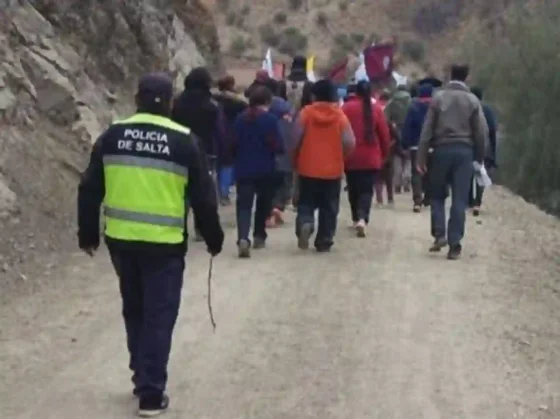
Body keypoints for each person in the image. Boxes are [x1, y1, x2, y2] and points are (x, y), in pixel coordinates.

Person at [77, 72, 224, 416]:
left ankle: (140, 373)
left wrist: (88, 235)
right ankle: (151, 393)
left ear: (136, 99)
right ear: (170, 102)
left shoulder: (112, 135)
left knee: (135, 308)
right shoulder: (185, 141)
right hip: (164, 244)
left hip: (122, 240)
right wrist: (213, 238)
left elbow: (89, 189)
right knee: (159, 316)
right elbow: (203, 197)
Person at [416, 64, 488, 259]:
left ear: (450, 76)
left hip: (440, 151)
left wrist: (421, 157)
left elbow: (427, 130)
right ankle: (455, 244)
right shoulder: (473, 100)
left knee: (437, 194)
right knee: (460, 199)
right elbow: (481, 133)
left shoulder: (438, 98)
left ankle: (439, 234)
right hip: (464, 153)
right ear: (466, 77)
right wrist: (479, 158)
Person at [292, 79, 355, 252]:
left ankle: (306, 222)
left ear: (314, 95)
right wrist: (340, 156)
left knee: (306, 202)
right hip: (332, 170)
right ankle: (324, 239)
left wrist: (294, 159)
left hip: (307, 167)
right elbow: (350, 142)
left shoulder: (306, 113)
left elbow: (294, 139)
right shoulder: (340, 116)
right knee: (329, 206)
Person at [172, 67, 224, 241]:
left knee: (181, 192)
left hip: (178, 152)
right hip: (205, 153)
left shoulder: (177, 103)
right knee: (202, 192)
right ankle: (201, 229)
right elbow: (219, 131)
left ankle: (180, 227)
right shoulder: (212, 106)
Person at [233, 86, 283, 258]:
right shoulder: (270, 120)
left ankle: (242, 237)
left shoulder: (240, 119)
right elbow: (278, 145)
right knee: (263, 203)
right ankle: (259, 236)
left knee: (244, 206)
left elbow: (232, 143)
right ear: (268, 102)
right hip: (265, 169)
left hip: (244, 168)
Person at [342, 80, 391, 237]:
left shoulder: (346, 108)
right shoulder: (376, 109)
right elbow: (384, 134)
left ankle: (356, 218)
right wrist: (384, 153)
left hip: (349, 156)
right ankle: (363, 217)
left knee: (353, 188)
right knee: (366, 190)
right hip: (371, 157)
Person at [213, 74, 248, 205]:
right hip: (230, 135)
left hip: (214, 135)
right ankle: (224, 194)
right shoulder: (237, 101)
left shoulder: (213, 99)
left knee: (215, 165)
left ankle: (216, 193)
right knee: (227, 165)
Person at [264, 78, 295, 227]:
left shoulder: (266, 106)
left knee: (269, 184)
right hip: (286, 149)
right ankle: (278, 207)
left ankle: (269, 213)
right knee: (285, 183)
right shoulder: (287, 107)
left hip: (268, 150)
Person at [401, 83, 434, 212]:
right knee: (431, 173)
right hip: (432, 145)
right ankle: (428, 198)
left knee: (417, 173)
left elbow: (407, 127)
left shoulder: (413, 107)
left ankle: (417, 201)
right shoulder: (435, 108)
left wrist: (405, 143)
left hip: (416, 145)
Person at [469, 86, 498, 216]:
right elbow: (492, 131)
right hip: (484, 145)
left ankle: (469, 200)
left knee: (468, 173)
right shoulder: (487, 110)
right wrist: (493, 151)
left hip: (468, 145)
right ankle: (477, 203)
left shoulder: (467, 108)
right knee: (481, 172)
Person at [385, 84, 412, 194]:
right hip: (410, 131)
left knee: (397, 159)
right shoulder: (411, 101)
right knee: (409, 159)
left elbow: (385, 118)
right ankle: (406, 181)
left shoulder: (391, 102)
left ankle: (397, 184)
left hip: (396, 131)